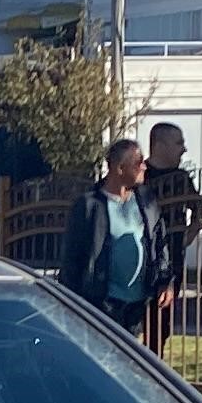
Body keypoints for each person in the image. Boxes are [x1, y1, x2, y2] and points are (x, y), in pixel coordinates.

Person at [63, 139, 162, 345]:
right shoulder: (89, 206)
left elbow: (159, 242)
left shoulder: (145, 200)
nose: (144, 166)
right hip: (103, 304)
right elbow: (72, 258)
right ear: (119, 168)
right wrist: (72, 303)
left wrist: (165, 282)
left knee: (131, 363)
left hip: (137, 305)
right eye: (138, 162)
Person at [139, 123, 202, 353]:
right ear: (159, 144)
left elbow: (198, 209)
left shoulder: (181, 178)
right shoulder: (140, 175)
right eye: (178, 143)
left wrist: (189, 235)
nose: (184, 150)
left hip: (172, 259)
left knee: (162, 320)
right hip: (140, 258)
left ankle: (154, 362)